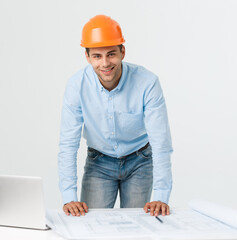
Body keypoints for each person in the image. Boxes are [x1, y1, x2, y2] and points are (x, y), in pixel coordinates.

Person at [58, 15, 173, 218]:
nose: (105, 63)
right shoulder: (76, 86)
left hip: (140, 161)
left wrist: (161, 195)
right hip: (98, 162)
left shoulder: (147, 82)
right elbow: (68, 144)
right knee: (90, 226)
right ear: (87, 57)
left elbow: (161, 142)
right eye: (97, 56)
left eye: (111, 54)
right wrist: (69, 196)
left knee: (136, 227)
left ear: (123, 52)